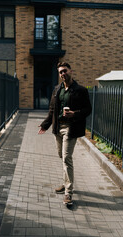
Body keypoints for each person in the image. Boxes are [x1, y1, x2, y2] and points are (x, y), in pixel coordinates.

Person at [38, 62, 92, 205]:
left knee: (67, 157)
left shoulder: (80, 90)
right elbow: (51, 110)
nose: (63, 74)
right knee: (62, 156)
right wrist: (45, 125)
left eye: (65, 71)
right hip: (58, 128)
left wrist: (75, 114)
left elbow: (88, 109)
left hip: (71, 128)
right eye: (60, 72)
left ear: (70, 71)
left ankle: (68, 192)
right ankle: (66, 182)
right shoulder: (57, 89)